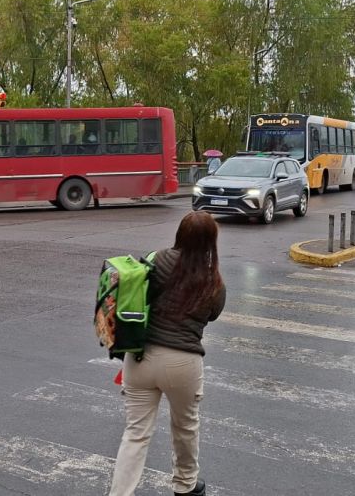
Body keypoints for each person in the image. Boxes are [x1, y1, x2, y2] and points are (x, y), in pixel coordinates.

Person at [108, 211, 226, 496]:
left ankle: (118, 493)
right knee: (185, 428)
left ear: (180, 234)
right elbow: (212, 316)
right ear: (211, 242)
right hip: (183, 363)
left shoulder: (156, 259)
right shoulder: (214, 281)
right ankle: (185, 485)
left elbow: (135, 294)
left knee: (135, 434)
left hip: (140, 358)